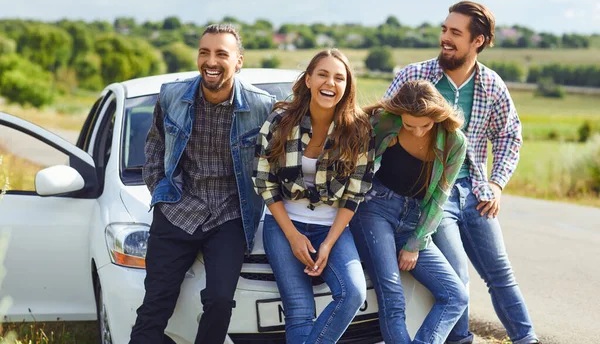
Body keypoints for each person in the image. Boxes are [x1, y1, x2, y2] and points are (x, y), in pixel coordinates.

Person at [384, 1, 539, 344]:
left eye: (456, 33)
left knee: (501, 274)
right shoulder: (414, 76)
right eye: (444, 30)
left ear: (478, 41)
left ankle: (527, 340)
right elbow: (381, 130)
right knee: (458, 280)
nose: (446, 38)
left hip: (477, 193)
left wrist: (497, 183)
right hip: (433, 194)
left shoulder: (491, 85)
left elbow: (510, 135)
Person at [130, 24, 276, 344]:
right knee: (155, 305)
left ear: (238, 61)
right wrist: (161, 192)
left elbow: (273, 164)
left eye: (221, 54)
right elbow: (155, 147)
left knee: (220, 301)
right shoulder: (172, 96)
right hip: (178, 210)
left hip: (230, 215)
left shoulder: (263, 106)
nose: (211, 61)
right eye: (204, 52)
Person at [253, 49, 375, 344]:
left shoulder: (358, 130)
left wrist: (329, 243)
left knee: (352, 293)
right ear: (308, 79)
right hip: (283, 224)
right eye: (322, 74)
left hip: (331, 225)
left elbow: (355, 194)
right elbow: (264, 182)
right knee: (299, 311)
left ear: (347, 87)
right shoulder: (280, 120)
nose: (330, 83)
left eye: (339, 77)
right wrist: (293, 236)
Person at [350, 80, 468, 344]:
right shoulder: (385, 121)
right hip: (375, 209)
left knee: (456, 295)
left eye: (425, 125)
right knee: (392, 297)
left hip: (416, 220)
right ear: (399, 115)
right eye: (409, 125)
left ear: (438, 116)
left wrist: (415, 243)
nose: (417, 132)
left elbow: (440, 196)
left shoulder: (454, 142)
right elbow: (351, 148)